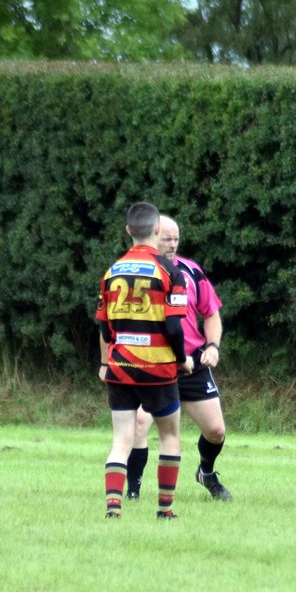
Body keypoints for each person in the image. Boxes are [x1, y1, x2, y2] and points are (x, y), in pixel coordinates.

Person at [96, 201, 193, 520]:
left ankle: (113, 507)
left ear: (128, 230)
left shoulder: (111, 271)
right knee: (170, 436)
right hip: (158, 369)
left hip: (120, 367)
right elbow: (174, 327)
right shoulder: (171, 272)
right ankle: (165, 510)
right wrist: (182, 359)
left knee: (121, 439)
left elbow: (104, 327)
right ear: (156, 230)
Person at [126, 216, 231, 502]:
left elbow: (211, 314)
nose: (172, 245)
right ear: (153, 236)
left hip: (192, 364)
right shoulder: (138, 272)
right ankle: (133, 493)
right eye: (167, 239)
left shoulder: (192, 272)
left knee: (216, 431)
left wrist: (213, 346)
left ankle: (206, 472)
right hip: (153, 363)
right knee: (139, 425)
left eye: (176, 239)